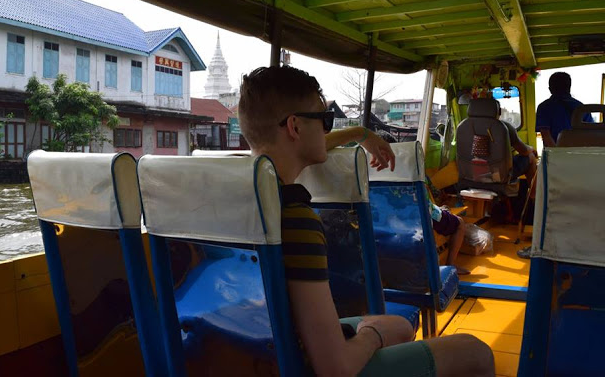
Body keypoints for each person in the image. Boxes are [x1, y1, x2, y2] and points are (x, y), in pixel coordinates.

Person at [238, 66, 494, 377]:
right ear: (294, 127)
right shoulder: (295, 219)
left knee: (399, 324)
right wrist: (371, 336)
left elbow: (299, 145)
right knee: (475, 351)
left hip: (254, 349)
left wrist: (362, 133)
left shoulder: (240, 194)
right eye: (325, 121)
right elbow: (336, 369)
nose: (327, 132)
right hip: (305, 364)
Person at [536, 71, 593, 147]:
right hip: (579, 153)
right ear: (569, 88)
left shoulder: (543, 107)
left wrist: (557, 154)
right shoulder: (581, 108)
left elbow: (546, 136)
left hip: (555, 154)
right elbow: (589, 134)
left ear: (550, 89)